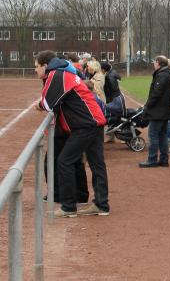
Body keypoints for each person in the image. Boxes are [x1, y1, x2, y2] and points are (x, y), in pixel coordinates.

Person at [35, 50, 109, 218]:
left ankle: (68, 207)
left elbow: (47, 103)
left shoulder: (57, 74)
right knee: (97, 164)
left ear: (45, 65)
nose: (35, 70)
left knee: (64, 161)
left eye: (37, 67)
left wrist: (39, 105)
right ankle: (102, 205)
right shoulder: (64, 72)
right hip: (94, 121)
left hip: (86, 124)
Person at [139, 55, 170, 168]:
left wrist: (147, 105)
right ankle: (164, 159)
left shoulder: (162, 75)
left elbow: (156, 93)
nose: (154, 64)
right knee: (162, 135)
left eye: (155, 62)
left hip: (158, 111)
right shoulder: (168, 75)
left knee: (153, 135)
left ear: (158, 63)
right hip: (165, 110)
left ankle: (152, 159)